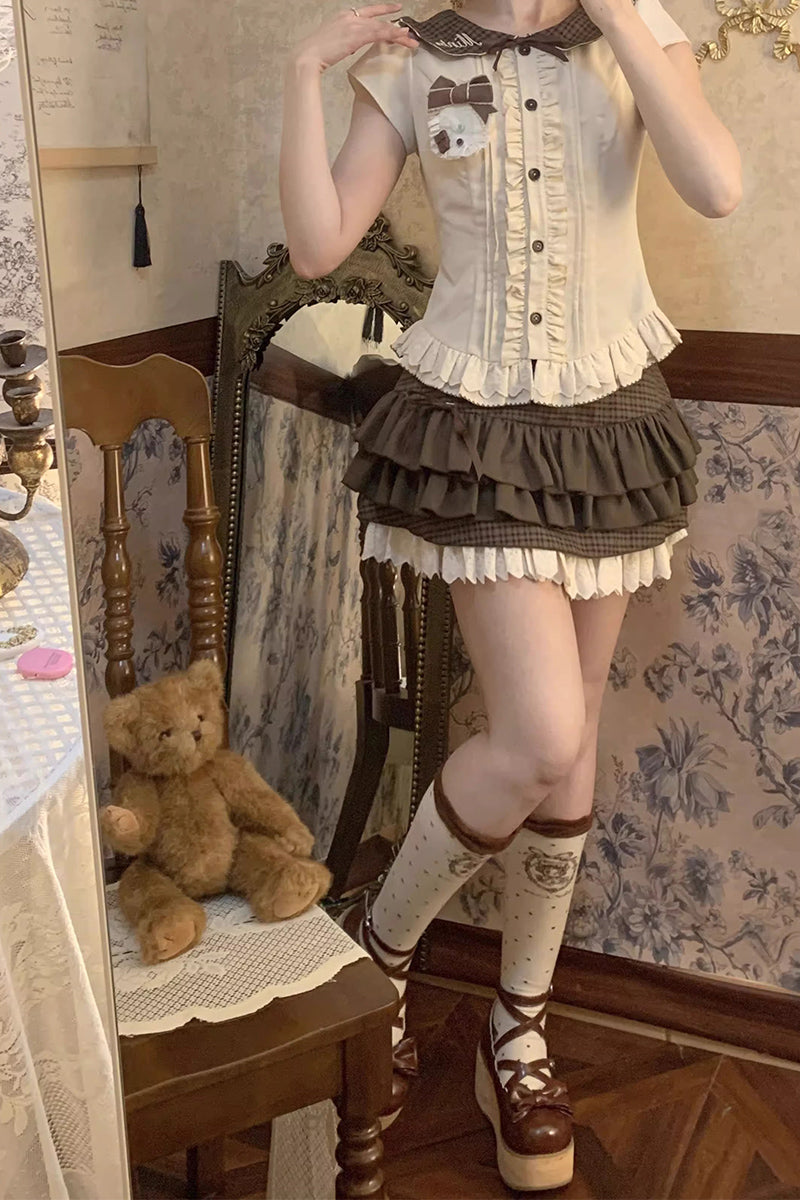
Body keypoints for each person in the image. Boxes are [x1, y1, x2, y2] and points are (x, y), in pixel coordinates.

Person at [279, 0, 740, 1188]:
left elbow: (715, 186)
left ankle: (516, 1029)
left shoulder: (634, 30)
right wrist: (303, 69)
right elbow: (319, 245)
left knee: (569, 747)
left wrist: (619, 19)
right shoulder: (412, 56)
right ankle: (376, 951)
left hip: (607, 421)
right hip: (473, 425)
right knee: (537, 734)